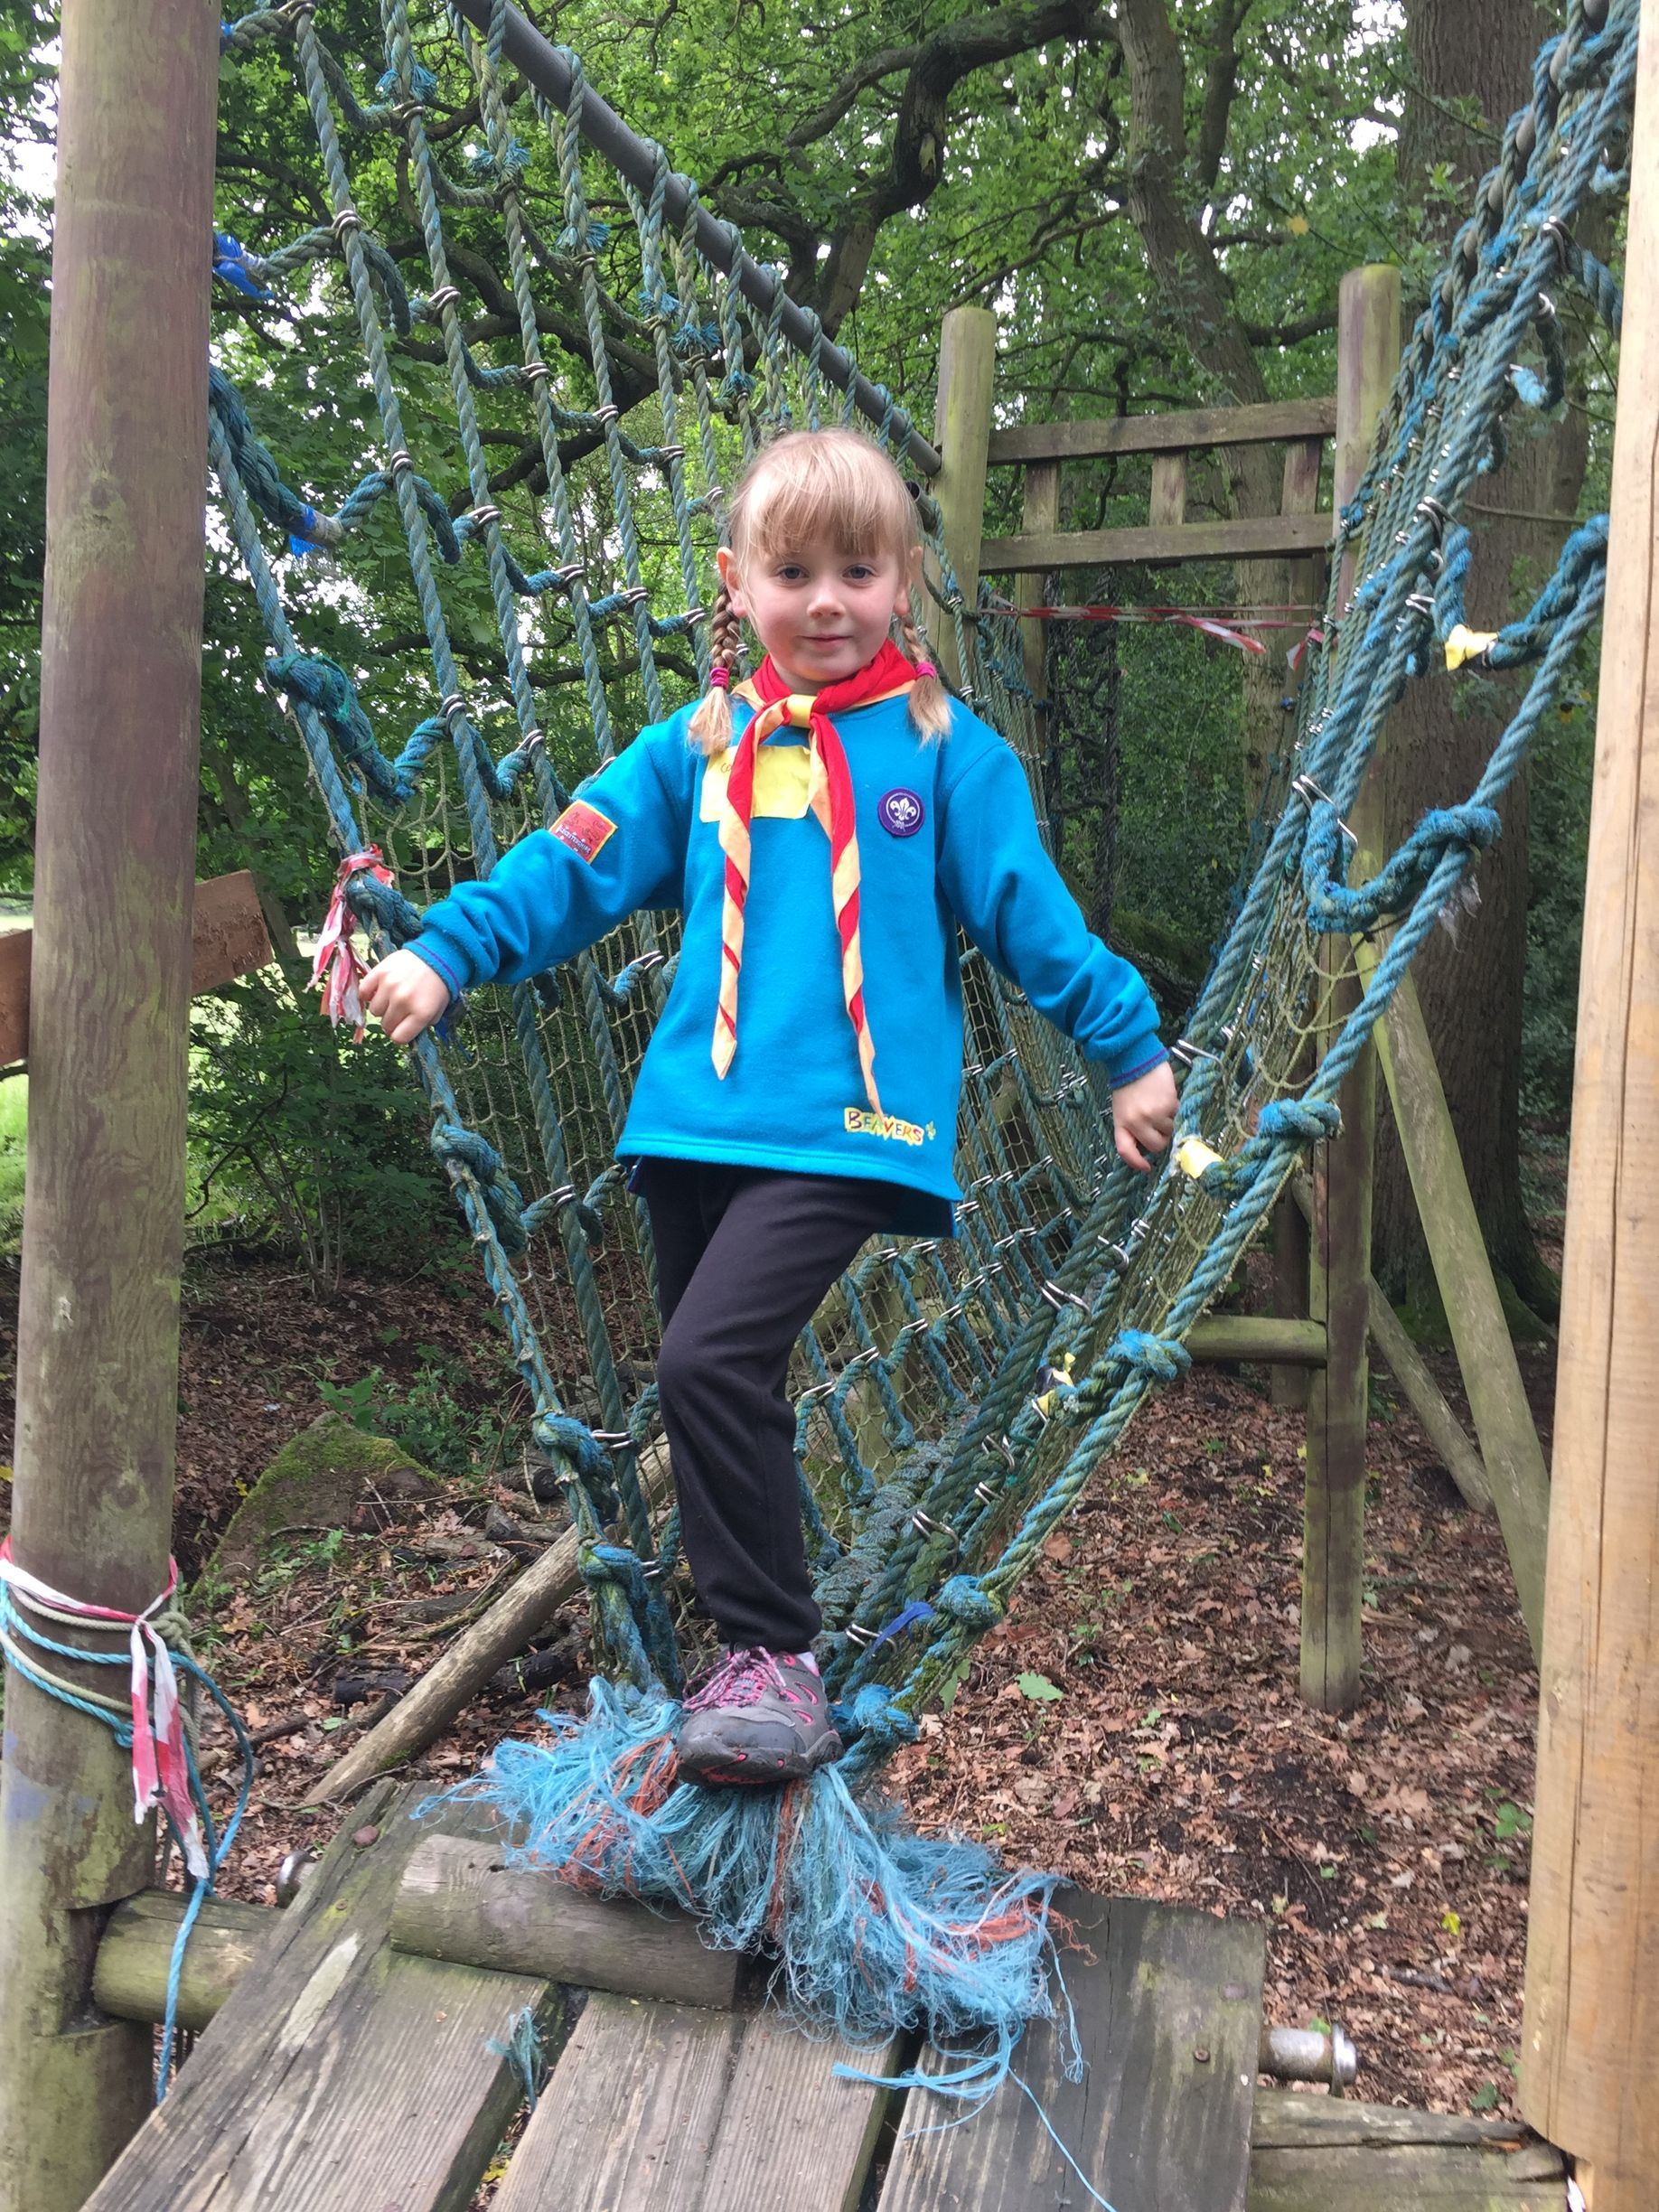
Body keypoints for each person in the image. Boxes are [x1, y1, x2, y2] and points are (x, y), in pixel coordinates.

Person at [360, 427, 1177, 1787]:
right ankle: (748, 1642)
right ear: (738, 586)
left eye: (859, 571)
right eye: (793, 573)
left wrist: (1128, 1047)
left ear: (903, 582)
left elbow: (1029, 915)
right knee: (717, 1382)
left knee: (706, 1364)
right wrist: (448, 950)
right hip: (692, 1125)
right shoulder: (697, 748)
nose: (828, 602)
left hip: (847, 1129)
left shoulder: (946, 756)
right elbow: (572, 862)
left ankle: (771, 1655)